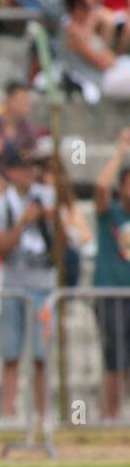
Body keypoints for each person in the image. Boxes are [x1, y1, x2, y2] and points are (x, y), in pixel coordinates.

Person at [0, 149, 57, 420]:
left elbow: (63, 241)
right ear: (12, 172)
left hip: (44, 284)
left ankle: (42, 415)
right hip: (14, 284)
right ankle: (8, 415)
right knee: (10, 353)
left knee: (42, 355)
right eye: (24, 168)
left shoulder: (49, 198)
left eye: (33, 168)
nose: (30, 173)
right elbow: (1, 249)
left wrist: (51, 220)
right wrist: (23, 222)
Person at [93, 128, 130, 421]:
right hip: (110, 294)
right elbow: (101, 188)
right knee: (113, 361)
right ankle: (109, 416)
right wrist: (121, 151)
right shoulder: (111, 213)